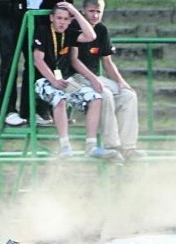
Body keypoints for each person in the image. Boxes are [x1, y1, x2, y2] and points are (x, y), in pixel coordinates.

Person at [32, 2, 120, 159]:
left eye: (66, 19)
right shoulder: (43, 30)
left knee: (96, 97)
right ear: (51, 18)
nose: (62, 22)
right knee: (60, 99)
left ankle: (91, 147)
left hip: (66, 80)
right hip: (45, 81)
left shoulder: (70, 33)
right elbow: (38, 60)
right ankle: (65, 147)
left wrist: (75, 12)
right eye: (59, 18)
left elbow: (91, 36)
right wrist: (52, 80)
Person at [70, 0, 145, 160]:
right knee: (105, 94)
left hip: (95, 77)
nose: (95, 15)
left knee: (129, 96)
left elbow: (107, 61)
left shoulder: (102, 29)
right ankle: (112, 145)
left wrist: (121, 83)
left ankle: (128, 147)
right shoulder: (75, 27)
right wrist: (93, 79)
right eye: (91, 11)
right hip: (76, 78)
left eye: (98, 12)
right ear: (83, 11)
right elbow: (73, 60)